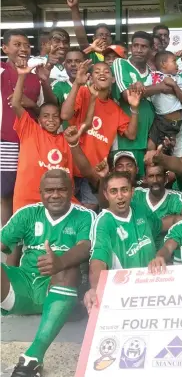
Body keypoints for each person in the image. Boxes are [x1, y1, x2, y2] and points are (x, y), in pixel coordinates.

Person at [1, 169, 95, 377]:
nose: (55, 195)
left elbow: (86, 246)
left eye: (61, 189)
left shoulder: (84, 215)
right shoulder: (27, 213)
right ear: (40, 192)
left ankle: (33, 356)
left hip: (58, 292)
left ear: (72, 190)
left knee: (67, 269)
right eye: (49, 190)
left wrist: (59, 261)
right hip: (22, 288)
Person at [61, 61, 140, 209]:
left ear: (113, 79)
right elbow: (65, 115)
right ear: (90, 77)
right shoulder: (83, 93)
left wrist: (134, 108)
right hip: (69, 167)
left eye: (106, 71)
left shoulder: (114, 108)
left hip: (93, 172)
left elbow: (131, 134)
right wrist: (77, 84)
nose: (102, 73)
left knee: (88, 214)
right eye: (97, 72)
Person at [84, 171, 162, 313]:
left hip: (154, 286)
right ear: (106, 195)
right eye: (114, 191)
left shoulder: (140, 208)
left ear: (132, 191)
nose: (120, 196)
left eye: (124, 190)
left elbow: (157, 229)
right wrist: (95, 289)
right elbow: (98, 261)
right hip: (126, 293)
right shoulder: (104, 222)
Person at [10, 59, 81, 212]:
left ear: (61, 119)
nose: (51, 120)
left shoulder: (67, 139)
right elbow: (16, 104)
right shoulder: (30, 130)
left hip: (59, 200)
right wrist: (22, 75)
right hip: (27, 200)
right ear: (39, 119)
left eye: (55, 116)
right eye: (46, 116)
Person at [1, 29, 42, 225]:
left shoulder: (35, 78)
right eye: (17, 44)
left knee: (29, 190)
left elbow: (43, 111)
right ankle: (7, 238)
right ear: (5, 48)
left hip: (30, 143)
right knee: (6, 191)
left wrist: (31, 104)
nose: (23, 49)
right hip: (6, 140)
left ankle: (27, 234)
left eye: (26, 45)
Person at [111, 31, 156, 177]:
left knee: (142, 186)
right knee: (121, 185)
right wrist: (161, 87)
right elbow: (126, 95)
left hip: (146, 144)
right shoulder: (120, 63)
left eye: (143, 46)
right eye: (135, 45)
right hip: (123, 142)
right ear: (130, 47)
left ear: (150, 50)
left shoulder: (152, 73)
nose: (138, 50)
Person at [146, 50, 182, 156]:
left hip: (172, 122)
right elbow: (145, 90)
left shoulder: (178, 78)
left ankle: (165, 170)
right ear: (163, 64)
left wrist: (174, 85)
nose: (177, 64)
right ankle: (150, 167)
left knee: (166, 148)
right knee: (150, 144)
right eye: (174, 61)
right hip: (159, 118)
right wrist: (159, 87)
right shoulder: (152, 76)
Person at [134, 164, 182, 249]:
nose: (155, 180)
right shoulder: (136, 195)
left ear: (166, 178)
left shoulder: (176, 197)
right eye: (151, 176)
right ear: (145, 179)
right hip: (140, 254)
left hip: (169, 255)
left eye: (159, 175)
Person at [66, 0, 113, 65]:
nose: (104, 37)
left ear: (111, 40)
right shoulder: (89, 54)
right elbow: (81, 38)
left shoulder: (117, 56)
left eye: (107, 35)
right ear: (94, 38)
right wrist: (74, 8)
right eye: (100, 35)